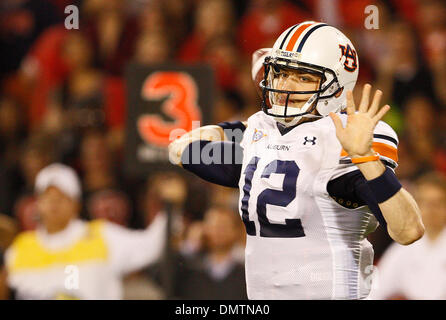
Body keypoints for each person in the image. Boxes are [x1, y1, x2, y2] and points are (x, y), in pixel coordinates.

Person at [169, 21, 425, 300]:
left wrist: (366, 157)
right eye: (280, 72)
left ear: (337, 88)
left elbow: (409, 230)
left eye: (303, 77)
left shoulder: (340, 140)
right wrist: (232, 129)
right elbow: (181, 149)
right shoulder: (262, 131)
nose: (285, 85)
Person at [4, 163, 167, 299]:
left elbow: (152, 245)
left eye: (62, 197)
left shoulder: (102, 235)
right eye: (47, 197)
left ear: (76, 204)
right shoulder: (20, 248)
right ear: (38, 204)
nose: (54, 204)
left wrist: (170, 204)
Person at [369, 172, 446, 300]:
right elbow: (376, 291)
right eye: (424, 203)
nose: (431, 210)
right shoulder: (404, 248)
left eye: (437, 203)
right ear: (416, 206)